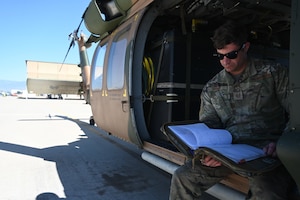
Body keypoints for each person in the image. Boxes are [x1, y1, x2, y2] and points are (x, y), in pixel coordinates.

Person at [169, 20, 293, 200]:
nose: (225, 61)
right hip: (228, 154)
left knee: (267, 192)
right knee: (182, 177)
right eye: (220, 56)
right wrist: (208, 154)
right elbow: (209, 127)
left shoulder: (273, 73)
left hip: (266, 152)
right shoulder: (212, 87)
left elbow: (296, 112)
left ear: (246, 47)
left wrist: (282, 144)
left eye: (232, 54)